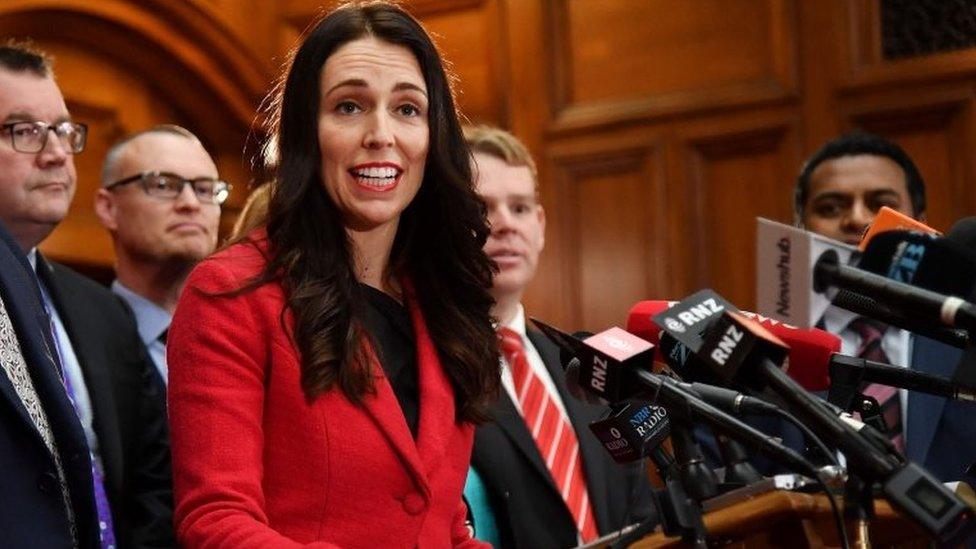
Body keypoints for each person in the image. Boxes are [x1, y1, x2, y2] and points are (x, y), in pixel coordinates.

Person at [166, 3, 499, 547]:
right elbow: (215, 521)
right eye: (349, 106)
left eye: (408, 110)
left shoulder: (444, 302)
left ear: (433, 136)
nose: (381, 134)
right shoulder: (230, 292)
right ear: (304, 132)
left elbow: (438, 528)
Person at [0, 40, 174, 547]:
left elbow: (151, 485)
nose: (56, 154)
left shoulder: (104, 312)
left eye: (62, 131)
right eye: (25, 132)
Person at [463, 125, 655, 548]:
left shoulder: (586, 366)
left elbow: (636, 509)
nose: (504, 224)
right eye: (481, 208)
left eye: (520, 207)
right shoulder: (427, 371)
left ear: (541, 224)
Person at [795, 131, 975, 481]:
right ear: (801, 228)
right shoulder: (764, 351)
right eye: (830, 208)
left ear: (919, 223)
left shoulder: (966, 328)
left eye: (880, 204)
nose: (855, 219)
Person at [95, 125, 226, 388]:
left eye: (204, 189)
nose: (190, 203)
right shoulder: (74, 342)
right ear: (108, 208)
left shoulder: (243, 333)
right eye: (163, 185)